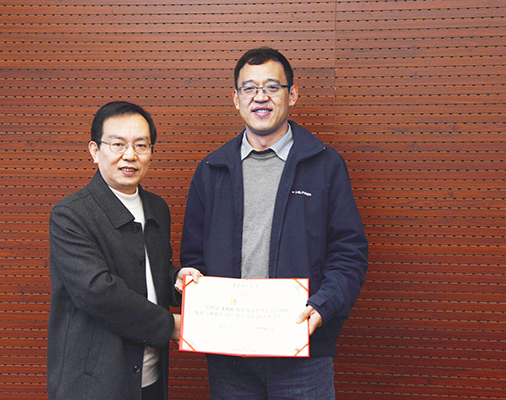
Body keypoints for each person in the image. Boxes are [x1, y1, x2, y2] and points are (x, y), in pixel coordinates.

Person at [176, 47, 369, 399]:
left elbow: (349, 253)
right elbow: (193, 256)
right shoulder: (211, 170)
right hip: (229, 356)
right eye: (249, 88)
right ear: (236, 99)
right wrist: (190, 280)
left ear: (291, 95)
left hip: (302, 352)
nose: (260, 97)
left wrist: (324, 305)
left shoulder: (325, 165)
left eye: (272, 87)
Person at [47, 101, 181, 400]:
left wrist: (178, 280)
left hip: (150, 376)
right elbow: (97, 291)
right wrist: (170, 325)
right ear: (95, 151)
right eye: (118, 144)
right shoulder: (71, 214)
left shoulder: (157, 207)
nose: (130, 155)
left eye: (141, 145)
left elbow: (153, 271)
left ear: (151, 152)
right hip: (94, 382)